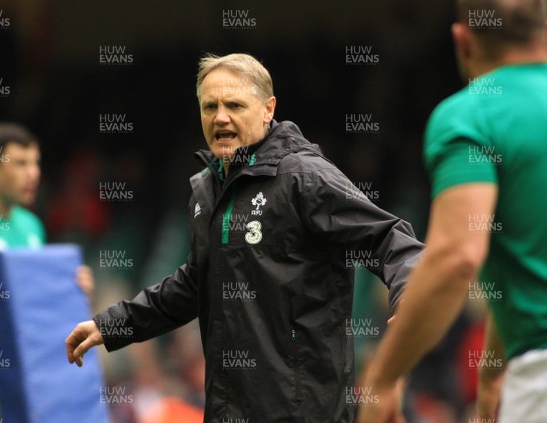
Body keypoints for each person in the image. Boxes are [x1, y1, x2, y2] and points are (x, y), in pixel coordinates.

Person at [66, 53, 424, 423]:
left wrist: (409, 287)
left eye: (234, 105)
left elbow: (388, 237)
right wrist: (112, 325)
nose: (220, 116)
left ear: (268, 109)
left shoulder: (304, 177)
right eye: (210, 106)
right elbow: (195, 284)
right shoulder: (206, 190)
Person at [357, 0, 547, 422]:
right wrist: (494, 371)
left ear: (462, 41)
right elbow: (528, 257)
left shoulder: (472, 114)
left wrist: (383, 378)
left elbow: (457, 257)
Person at [0, 122, 94, 422]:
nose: (33, 174)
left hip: (23, 371)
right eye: (21, 163)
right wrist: (30, 333)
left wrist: (71, 291)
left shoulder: (31, 226)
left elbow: (35, 298)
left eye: (36, 163)